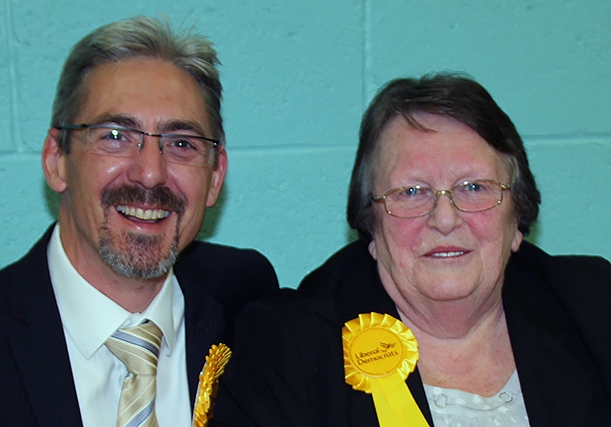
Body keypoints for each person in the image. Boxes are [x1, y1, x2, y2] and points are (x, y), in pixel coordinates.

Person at [210, 73, 611, 426]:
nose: (445, 218)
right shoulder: (290, 347)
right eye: (411, 192)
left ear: (517, 219)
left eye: (474, 187)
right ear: (371, 224)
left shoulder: (593, 306)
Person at [0, 16, 278, 427]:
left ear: (216, 176)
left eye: (181, 143)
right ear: (56, 159)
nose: (150, 172)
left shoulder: (248, 301)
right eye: (115, 136)